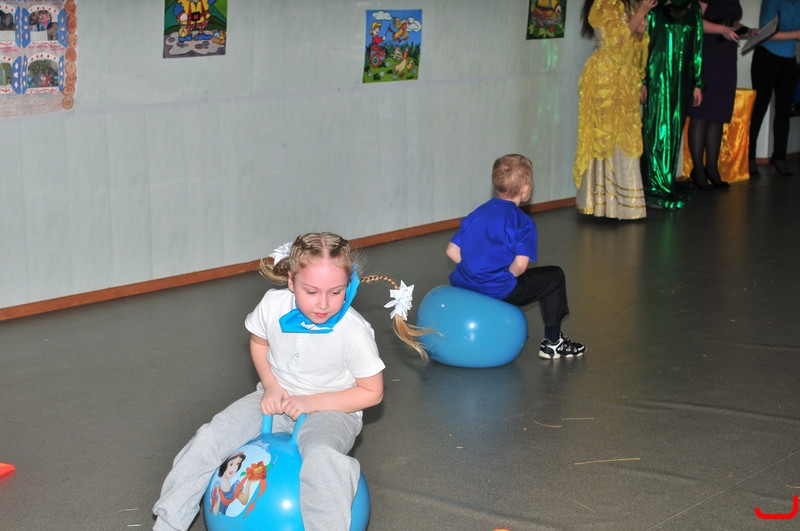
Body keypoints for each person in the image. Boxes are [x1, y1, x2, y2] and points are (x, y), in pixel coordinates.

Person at [152, 232, 429, 531]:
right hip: (276, 397)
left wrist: (311, 402)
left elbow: (372, 393)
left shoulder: (354, 331)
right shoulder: (273, 305)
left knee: (323, 456)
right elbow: (259, 343)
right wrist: (270, 385)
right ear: (291, 282)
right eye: (311, 291)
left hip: (334, 410)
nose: (323, 304)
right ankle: (169, 523)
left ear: (348, 285)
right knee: (210, 438)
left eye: (336, 292)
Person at [446, 154, 586, 360]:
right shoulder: (523, 222)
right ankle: (553, 342)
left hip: (465, 283)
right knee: (554, 276)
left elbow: (451, 251)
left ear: (496, 185)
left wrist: (477, 270)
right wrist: (503, 277)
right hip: (499, 288)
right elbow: (520, 265)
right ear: (526, 189)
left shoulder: (479, 212)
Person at [573, 0, 656, 220]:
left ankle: (625, 204)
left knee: (627, 136)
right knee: (605, 137)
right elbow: (615, 40)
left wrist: (642, 19)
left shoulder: (629, 4)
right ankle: (602, 204)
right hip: (605, 77)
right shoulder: (602, 4)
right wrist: (641, 11)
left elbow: (635, 42)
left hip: (626, 78)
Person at [641, 0, 704, 209]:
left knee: (674, 130)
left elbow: (697, 44)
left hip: (682, 79)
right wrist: (642, 80)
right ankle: (653, 185)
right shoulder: (653, 5)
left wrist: (697, 82)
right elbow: (642, 42)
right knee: (656, 130)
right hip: (657, 76)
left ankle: (665, 182)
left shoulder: (692, 7)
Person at [686, 0, 755, 190]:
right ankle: (698, 170)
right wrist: (722, 30)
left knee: (718, 111)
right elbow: (695, 20)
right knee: (702, 112)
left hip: (726, 52)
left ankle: (712, 167)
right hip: (708, 50)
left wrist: (747, 31)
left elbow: (730, 20)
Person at [748, 0, 800, 178]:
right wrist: (796, 34)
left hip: (789, 58)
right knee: (760, 107)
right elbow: (765, 33)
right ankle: (750, 158)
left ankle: (779, 158)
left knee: (784, 110)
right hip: (766, 57)